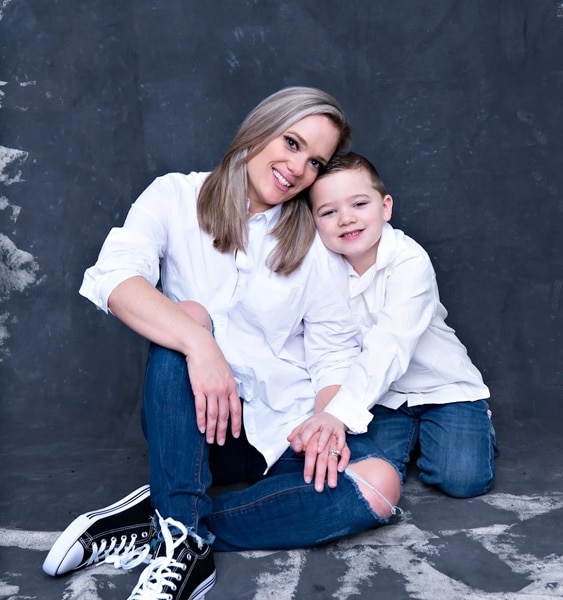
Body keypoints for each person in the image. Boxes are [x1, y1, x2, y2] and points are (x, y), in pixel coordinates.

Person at [42, 89, 401, 599]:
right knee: (184, 317)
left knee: (379, 485)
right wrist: (199, 342)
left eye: (315, 161)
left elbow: (332, 352)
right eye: (292, 143)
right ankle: (183, 542)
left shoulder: (313, 242)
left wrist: (326, 417)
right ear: (261, 129)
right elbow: (113, 278)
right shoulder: (173, 196)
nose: (297, 168)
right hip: (194, 423)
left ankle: (170, 519)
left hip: (281, 427)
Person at [290, 151, 497, 500]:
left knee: (462, 479)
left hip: (443, 389)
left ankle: (475, 427)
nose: (346, 219)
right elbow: (330, 346)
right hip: (382, 398)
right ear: (314, 221)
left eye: (359, 204)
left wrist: (338, 414)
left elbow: (390, 346)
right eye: (328, 212)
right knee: (369, 474)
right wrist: (329, 412)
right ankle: (413, 436)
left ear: (385, 207)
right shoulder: (324, 268)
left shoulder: (410, 261)